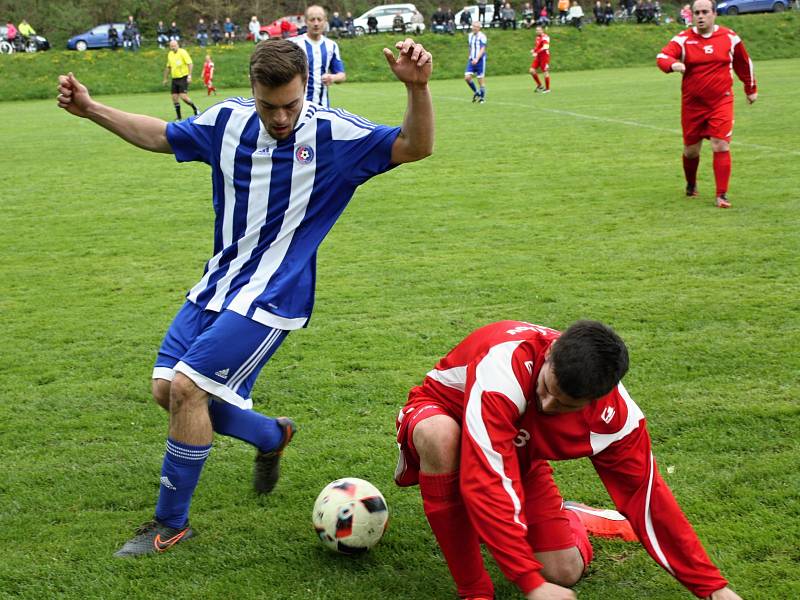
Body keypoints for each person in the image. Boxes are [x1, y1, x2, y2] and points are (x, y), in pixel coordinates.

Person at [57, 36, 434, 558]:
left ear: (307, 89)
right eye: (268, 106)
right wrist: (91, 108)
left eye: (291, 105)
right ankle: (268, 435)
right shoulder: (226, 122)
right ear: (252, 91)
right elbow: (161, 135)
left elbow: (414, 147)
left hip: (274, 294)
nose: (280, 117)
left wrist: (417, 90)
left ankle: (170, 525)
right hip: (218, 284)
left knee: (189, 390)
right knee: (166, 391)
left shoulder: (335, 135)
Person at [394, 320, 746, 600]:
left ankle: (572, 516)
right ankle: (474, 590)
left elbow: (649, 499)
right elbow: (484, 481)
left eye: (565, 404)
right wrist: (528, 582)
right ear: (550, 354)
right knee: (443, 438)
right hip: (441, 414)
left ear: (596, 398)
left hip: (516, 453)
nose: (547, 406)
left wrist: (711, 587)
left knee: (562, 573)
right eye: (547, 389)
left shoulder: (618, 419)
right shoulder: (506, 363)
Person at [657, 0, 757, 208]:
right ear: (692, 16)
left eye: (705, 12)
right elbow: (662, 56)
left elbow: (743, 63)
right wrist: (673, 64)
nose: (700, 16)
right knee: (691, 151)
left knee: (720, 144)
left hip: (721, 100)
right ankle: (691, 184)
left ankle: (722, 195)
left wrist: (750, 88)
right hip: (692, 105)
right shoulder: (683, 39)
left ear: (714, 14)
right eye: (697, 13)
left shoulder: (729, 37)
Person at [290, 5, 347, 107]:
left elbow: (341, 75)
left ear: (325, 21)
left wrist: (332, 78)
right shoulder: (294, 44)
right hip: (297, 108)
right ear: (306, 21)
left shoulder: (331, 46)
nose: (316, 23)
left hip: (323, 108)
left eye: (319, 19)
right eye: (312, 19)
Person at [163, 39, 198, 120]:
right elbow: (168, 67)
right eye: (171, 46)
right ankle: (179, 117)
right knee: (174, 98)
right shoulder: (170, 54)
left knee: (183, 97)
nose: (173, 47)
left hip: (183, 77)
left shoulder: (183, 52)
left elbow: (190, 63)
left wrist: (189, 76)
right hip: (174, 78)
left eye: (174, 46)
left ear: (177, 45)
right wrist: (165, 78)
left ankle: (195, 108)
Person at [465, 21, 487, 103]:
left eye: (476, 27)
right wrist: (470, 55)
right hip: (471, 60)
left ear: (479, 28)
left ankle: (482, 98)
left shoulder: (482, 36)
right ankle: (476, 92)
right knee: (467, 77)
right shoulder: (470, 35)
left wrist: (477, 58)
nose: (474, 28)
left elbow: (482, 49)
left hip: (480, 60)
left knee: (480, 79)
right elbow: (470, 47)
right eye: (473, 26)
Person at [530, 25, 551, 93]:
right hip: (538, 57)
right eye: (536, 30)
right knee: (532, 71)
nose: (537, 31)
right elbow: (538, 46)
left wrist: (537, 52)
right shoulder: (537, 38)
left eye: (539, 30)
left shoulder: (545, 37)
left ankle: (548, 89)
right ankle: (540, 85)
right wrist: (534, 50)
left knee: (545, 72)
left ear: (542, 30)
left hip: (544, 57)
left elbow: (545, 47)